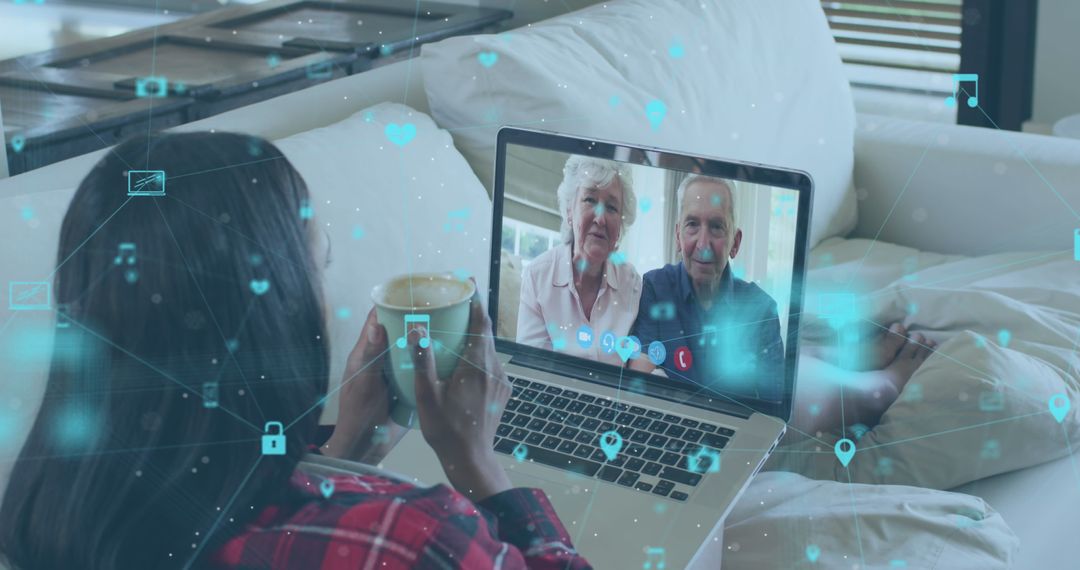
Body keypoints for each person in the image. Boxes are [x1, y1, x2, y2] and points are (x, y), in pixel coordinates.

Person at [0, 133, 592, 570]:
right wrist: (477, 464)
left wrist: (345, 450)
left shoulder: (44, 513)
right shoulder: (410, 537)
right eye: (317, 265)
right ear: (275, 314)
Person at [629, 174, 784, 399]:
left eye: (716, 227)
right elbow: (639, 382)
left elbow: (773, 408)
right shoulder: (654, 287)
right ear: (677, 235)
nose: (703, 245)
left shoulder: (762, 310)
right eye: (692, 225)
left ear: (735, 242)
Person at [516, 156, 641, 366]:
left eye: (611, 208)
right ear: (569, 211)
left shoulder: (632, 284)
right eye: (589, 200)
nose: (600, 219)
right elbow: (530, 368)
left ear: (620, 224)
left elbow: (636, 368)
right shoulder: (537, 277)